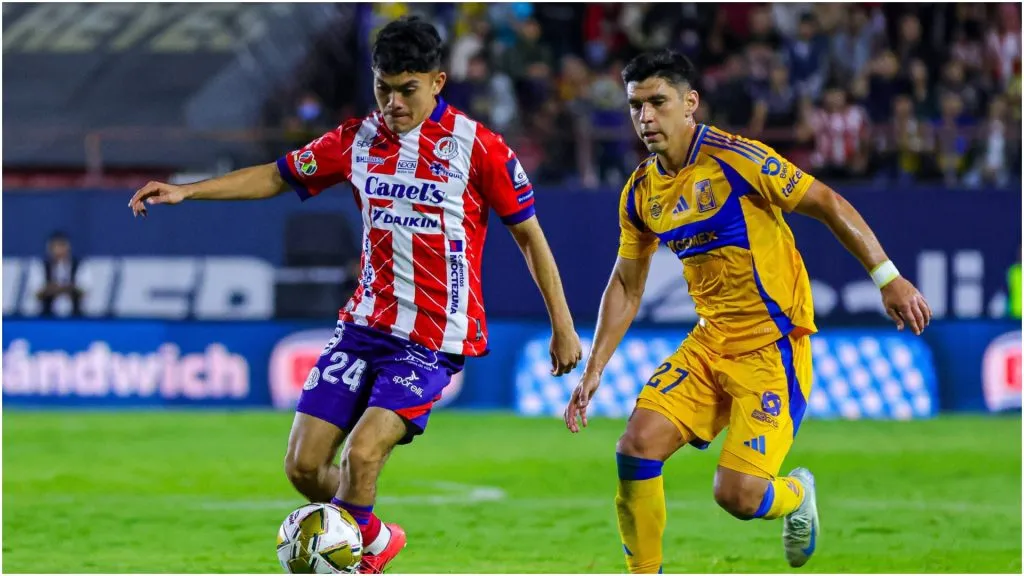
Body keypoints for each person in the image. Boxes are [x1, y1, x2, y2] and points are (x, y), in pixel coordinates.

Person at [130, 16, 582, 573]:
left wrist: (563, 325)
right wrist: (187, 191)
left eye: (407, 89)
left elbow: (530, 236)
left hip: (432, 336)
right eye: (383, 88)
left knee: (363, 454)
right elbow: (275, 176)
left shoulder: (479, 148)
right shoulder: (356, 140)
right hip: (363, 326)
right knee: (303, 467)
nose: (393, 103)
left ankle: (358, 561)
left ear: (437, 81)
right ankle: (375, 537)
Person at [563, 50, 931, 573]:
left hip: (771, 348)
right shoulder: (640, 192)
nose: (645, 117)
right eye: (635, 106)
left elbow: (827, 202)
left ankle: (796, 496)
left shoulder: (738, 159)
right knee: (635, 446)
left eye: (658, 102)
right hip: (709, 342)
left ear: (690, 103)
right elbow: (626, 283)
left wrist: (888, 278)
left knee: (736, 495)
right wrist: (595, 366)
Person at [36, 231, 85, 318]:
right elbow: (37, 293)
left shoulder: (79, 266)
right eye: (55, 247)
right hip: (47, 318)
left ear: (68, 248)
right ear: (50, 249)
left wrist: (63, 288)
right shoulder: (41, 267)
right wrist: (57, 288)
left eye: (62, 246)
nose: (59, 250)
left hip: (75, 318)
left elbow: (83, 291)